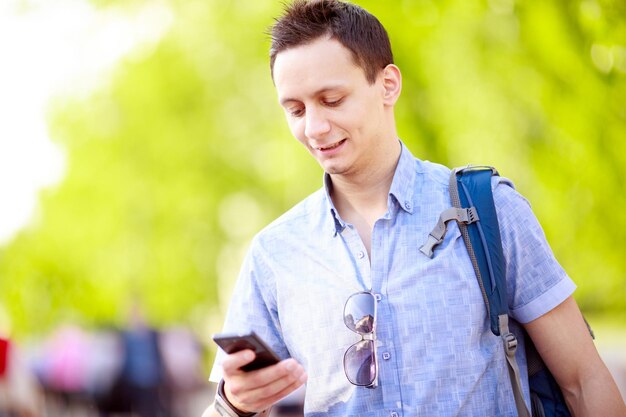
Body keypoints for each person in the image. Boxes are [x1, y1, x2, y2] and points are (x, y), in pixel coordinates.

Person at [204, 1, 626, 416]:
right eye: (295, 110)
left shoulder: (488, 208)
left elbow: (583, 380)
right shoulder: (274, 254)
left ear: (388, 84)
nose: (313, 127)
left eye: (331, 100)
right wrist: (235, 404)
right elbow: (223, 410)